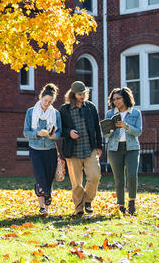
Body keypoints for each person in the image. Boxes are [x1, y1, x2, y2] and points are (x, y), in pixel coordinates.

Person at [59, 81, 103, 217]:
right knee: (76, 183)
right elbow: (60, 130)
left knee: (95, 176)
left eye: (84, 93)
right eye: (79, 94)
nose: (82, 96)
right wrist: (69, 133)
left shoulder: (90, 107)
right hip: (72, 151)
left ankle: (88, 200)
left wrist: (99, 146)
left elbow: (97, 127)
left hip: (89, 148)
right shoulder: (64, 110)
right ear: (73, 94)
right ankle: (78, 209)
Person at [23, 83, 62, 216]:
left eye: (50, 102)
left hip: (50, 149)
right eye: (45, 100)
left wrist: (52, 135)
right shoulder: (30, 112)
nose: (46, 103)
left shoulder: (55, 114)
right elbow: (25, 132)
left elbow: (59, 133)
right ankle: (42, 205)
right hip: (35, 149)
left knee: (49, 178)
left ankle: (46, 207)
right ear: (41, 98)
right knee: (40, 178)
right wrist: (37, 133)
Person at [105, 87, 142, 215]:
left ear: (125, 98)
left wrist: (126, 126)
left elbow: (138, 131)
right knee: (119, 179)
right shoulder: (110, 114)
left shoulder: (136, 113)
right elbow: (105, 135)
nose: (116, 101)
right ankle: (121, 206)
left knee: (132, 175)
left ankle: (132, 203)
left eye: (118, 98)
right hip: (115, 149)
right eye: (114, 99)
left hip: (131, 148)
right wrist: (111, 129)